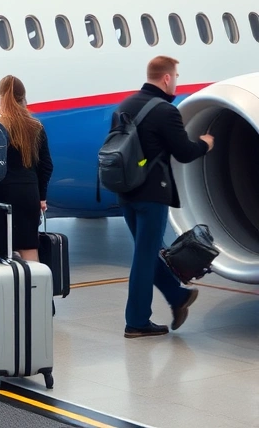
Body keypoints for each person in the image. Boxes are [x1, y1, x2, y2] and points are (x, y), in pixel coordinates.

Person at [112, 56, 213, 338]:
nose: (177, 81)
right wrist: (205, 145)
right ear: (167, 78)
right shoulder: (165, 111)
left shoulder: (124, 106)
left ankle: (177, 297)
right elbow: (184, 152)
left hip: (126, 192)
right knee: (145, 257)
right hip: (152, 194)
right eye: (176, 76)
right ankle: (137, 321)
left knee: (147, 252)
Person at [0, 76, 53, 262]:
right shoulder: (35, 126)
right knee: (28, 246)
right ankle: (34, 289)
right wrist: (41, 196)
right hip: (27, 193)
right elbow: (46, 165)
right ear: (23, 97)